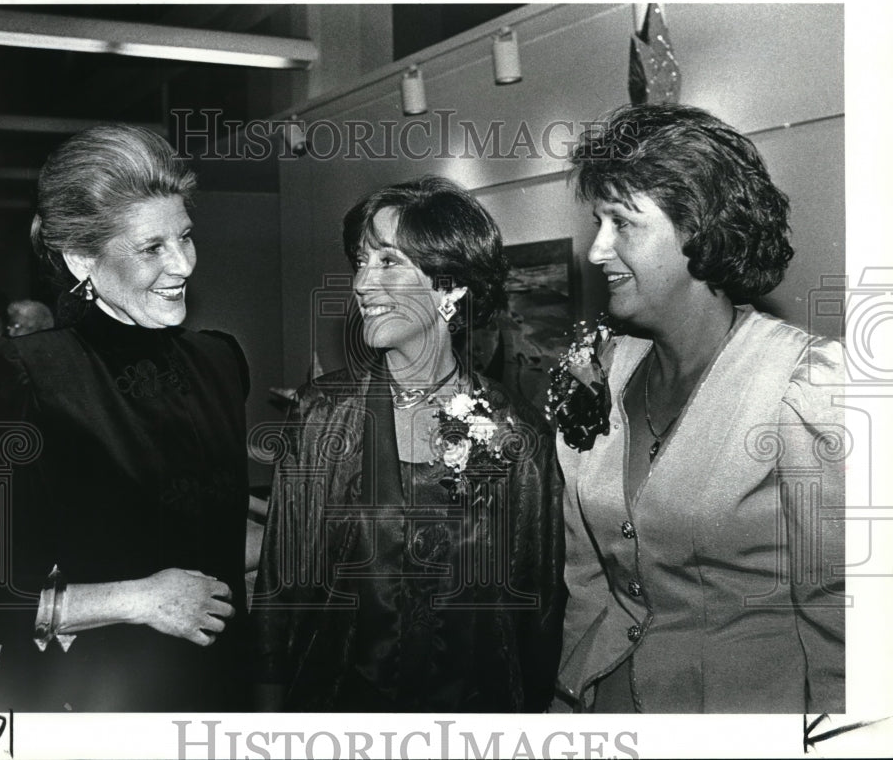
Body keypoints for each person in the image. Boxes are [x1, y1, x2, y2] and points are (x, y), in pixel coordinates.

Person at [0, 124, 252, 712]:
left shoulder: (221, 361)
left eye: (185, 237)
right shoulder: (16, 376)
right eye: (151, 248)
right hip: (87, 700)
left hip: (218, 689)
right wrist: (139, 599)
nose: (183, 264)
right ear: (82, 258)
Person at [552, 103, 845, 713]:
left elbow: (844, 621)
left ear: (701, 230)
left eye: (622, 224)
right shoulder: (604, 371)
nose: (597, 251)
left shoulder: (808, 385)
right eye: (596, 224)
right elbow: (586, 579)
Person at [253, 176, 565, 712]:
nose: (361, 283)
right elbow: (282, 585)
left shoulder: (517, 434)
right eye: (360, 262)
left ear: (450, 287)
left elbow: (534, 612)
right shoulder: (323, 415)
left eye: (388, 262)